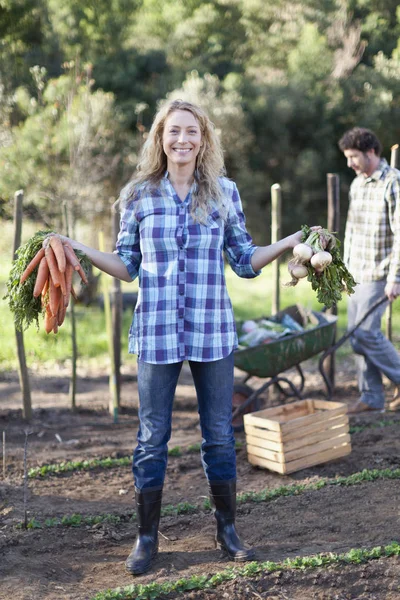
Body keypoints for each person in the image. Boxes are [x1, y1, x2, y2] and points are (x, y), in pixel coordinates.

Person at [61, 99, 314, 575]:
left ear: (204, 140)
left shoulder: (223, 192)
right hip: (156, 330)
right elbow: (126, 266)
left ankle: (228, 531)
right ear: (160, 138)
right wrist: (79, 249)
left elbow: (243, 260)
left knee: (218, 435)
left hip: (211, 329)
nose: (182, 140)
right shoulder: (138, 194)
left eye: (191, 132)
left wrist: (287, 243)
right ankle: (146, 537)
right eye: (173, 131)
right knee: (152, 437)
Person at [338, 127, 400, 414]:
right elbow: (351, 231)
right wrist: (343, 270)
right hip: (356, 272)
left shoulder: (393, 183)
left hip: (380, 272)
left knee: (366, 333)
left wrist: (395, 277)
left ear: (371, 152)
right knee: (355, 335)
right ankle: (371, 397)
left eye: (353, 157)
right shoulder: (357, 184)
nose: (349, 163)